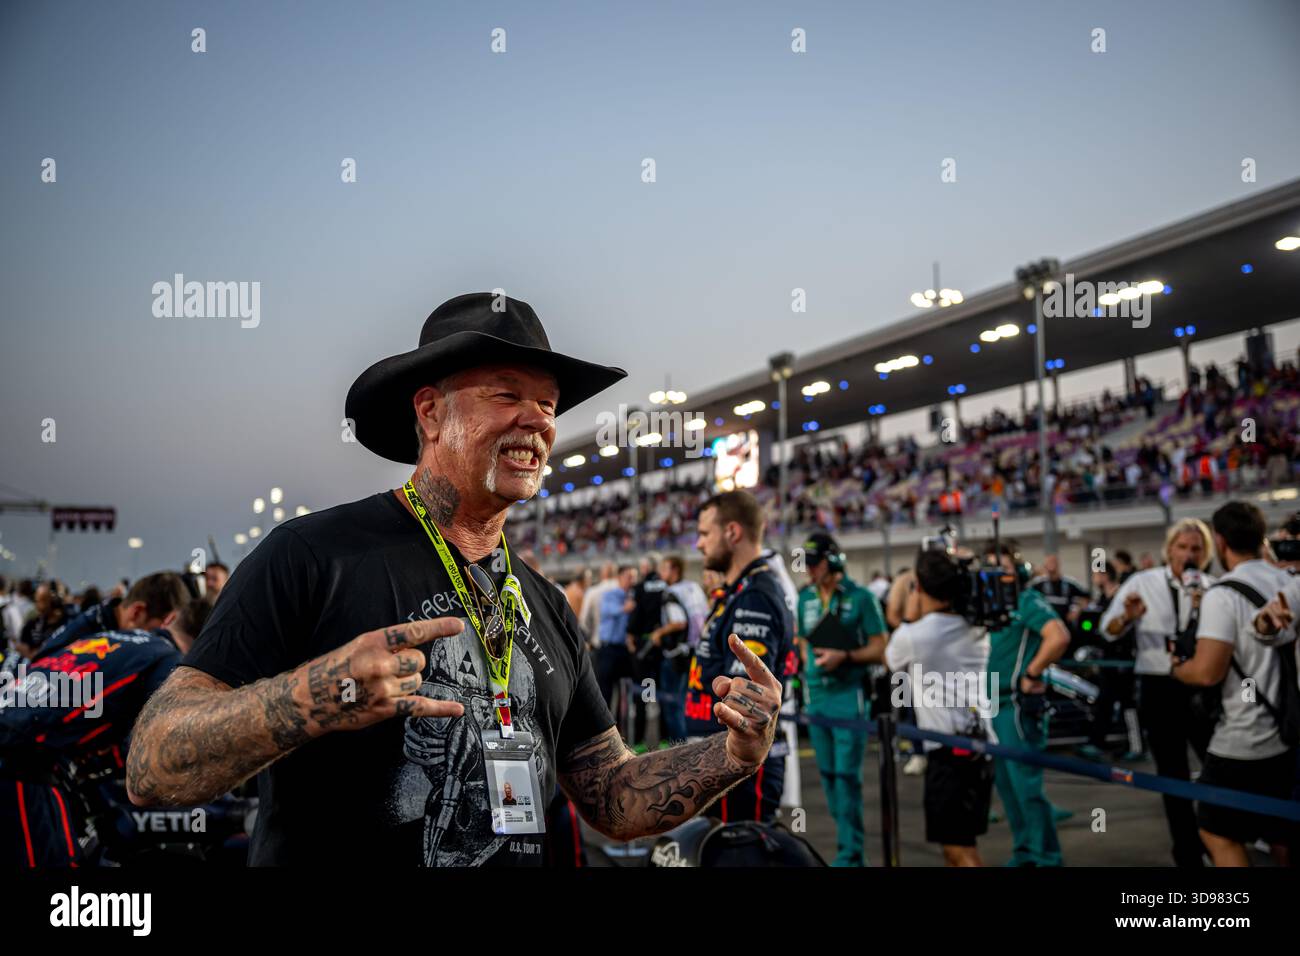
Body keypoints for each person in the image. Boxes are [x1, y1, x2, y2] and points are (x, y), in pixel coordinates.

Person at [126, 292, 784, 867]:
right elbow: (152, 765)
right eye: (507, 394)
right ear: (431, 413)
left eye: (548, 404)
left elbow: (612, 795)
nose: (538, 421)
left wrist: (732, 753)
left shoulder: (545, 605)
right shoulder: (310, 555)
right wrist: (314, 696)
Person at [0, 572, 190, 866]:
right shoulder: (163, 653)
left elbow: (40, 665)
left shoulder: (93, 633)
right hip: (22, 762)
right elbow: (165, 736)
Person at [1172, 502, 1297, 866]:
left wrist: (1178, 669)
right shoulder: (1288, 580)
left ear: (1220, 541)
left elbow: (1207, 672)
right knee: (1282, 831)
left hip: (1245, 737)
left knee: (1216, 830)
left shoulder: (1222, 594)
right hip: (1290, 732)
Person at [1100, 517, 1216, 867]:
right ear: (1169, 550)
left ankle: (1219, 842)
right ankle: (1187, 853)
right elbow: (1107, 629)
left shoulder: (1212, 587)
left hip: (1202, 685)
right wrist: (1128, 618)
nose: (1189, 554)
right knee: (1172, 774)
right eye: (1182, 547)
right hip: (1158, 687)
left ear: (1206, 553)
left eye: (1196, 548)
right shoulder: (1142, 582)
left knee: (1215, 768)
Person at [683, 489, 794, 823]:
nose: (699, 544)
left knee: (740, 851)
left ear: (732, 533)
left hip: (739, 767)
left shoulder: (755, 597)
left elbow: (744, 697)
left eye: (704, 534)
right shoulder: (738, 592)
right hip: (722, 757)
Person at [884, 550, 994, 866]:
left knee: (958, 849)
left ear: (918, 586)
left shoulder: (914, 636)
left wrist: (910, 605)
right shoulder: (976, 626)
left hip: (950, 752)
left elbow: (892, 661)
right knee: (959, 844)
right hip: (980, 745)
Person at [795, 532, 886, 866]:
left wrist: (844, 657)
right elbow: (802, 639)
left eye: (815, 564)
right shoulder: (805, 598)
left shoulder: (862, 598)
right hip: (816, 696)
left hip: (848, 695)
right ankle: (846, 844)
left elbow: (881, 647)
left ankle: (851, 852)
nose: (809, 571)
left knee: (848, 778)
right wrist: (811, 660)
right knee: (829, 775)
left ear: (833, 562)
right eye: (806, 564)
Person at [983, 541, 1071, 867]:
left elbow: (1058, 635)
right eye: (990, 569)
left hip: (1016, 706)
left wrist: (1032, 671)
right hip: (990, 704)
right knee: (1006, 786)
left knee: (1026, 787)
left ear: (1017, 571)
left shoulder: (1026, 600)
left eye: (1003, 569)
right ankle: (1024, 852)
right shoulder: (986, 607)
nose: (997, 577)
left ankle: (1047, 857)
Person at [1079, 561, 1143, 761]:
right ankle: (1097, 742)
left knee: (1128, 704)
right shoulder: (1102, 599)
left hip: (1123, 660)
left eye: (1096, 574)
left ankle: (1137, 746)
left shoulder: (1121, 596)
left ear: (1105, 575)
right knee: (1104, 702)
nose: (1094, 578)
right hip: (1108, 659)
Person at [648, 555, 707, 743]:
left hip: (676, 656)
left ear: (674, 570)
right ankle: (691, 742)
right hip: (695, 652)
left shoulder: (671, 592)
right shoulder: (694, 587)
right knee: (688, 700)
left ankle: (680, 749)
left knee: (673, 704)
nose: (660, 572)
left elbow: (679, 622)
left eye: (664, 568)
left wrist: (658, 633)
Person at [1029, 555, 1090, 639]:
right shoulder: (1038, 584)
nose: (1051, 566)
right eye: (1048, 563)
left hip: (1066, 626)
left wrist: (1077, 611)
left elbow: (1087, 597)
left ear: (1058, 565)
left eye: (1053, 563)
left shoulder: (1069, 583)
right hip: (1046, 627)